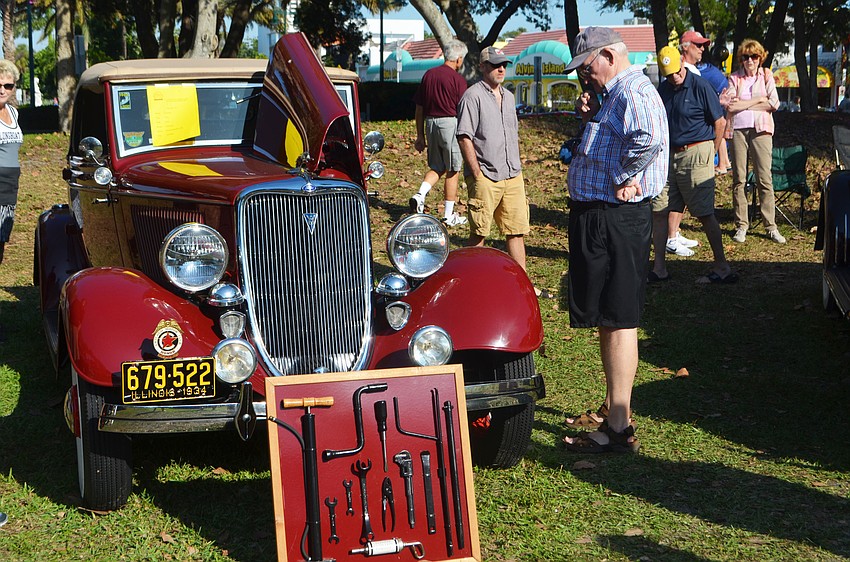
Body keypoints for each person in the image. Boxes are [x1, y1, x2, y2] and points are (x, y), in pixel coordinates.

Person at [560, 27, 669, 453]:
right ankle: (612, 408)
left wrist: (626, 177)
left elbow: (649, 139)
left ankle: (619, 428)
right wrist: (590, 121)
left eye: (588, 67)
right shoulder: (616, 94)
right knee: (608, 316)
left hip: (616, 219)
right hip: (602, 217)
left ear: (608, 55)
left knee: (620, 319)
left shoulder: (633, 90)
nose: (586, 76)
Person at [457, 46, 545, 294]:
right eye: (495, 65)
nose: (501, 69)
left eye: (503, 64)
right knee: (479, 232)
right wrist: (477, 174)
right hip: (486, 175)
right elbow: (464, 137)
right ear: (483, 67)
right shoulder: (472, 96)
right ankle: (475, 284)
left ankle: (523, 285)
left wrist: (517, 167)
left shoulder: (508, 96)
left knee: (516, 231)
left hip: (512, 174)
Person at [650, 46, 736, 285]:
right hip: (669, 156)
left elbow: (719, 122)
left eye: (676, 72)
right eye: (668, 75)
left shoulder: (701, 86)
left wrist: (710, 151)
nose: (673, 78)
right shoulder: (664, 89)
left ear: (682, 65)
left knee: (704, 213)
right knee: (659, 210)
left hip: (697, 152)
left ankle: (721, 266)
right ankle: (659, 268)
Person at [723, 38, 784, 244]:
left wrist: (744, 104)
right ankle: (741, 225)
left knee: (764, 178)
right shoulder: (734, 78)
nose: (750, 60)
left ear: (760, 58)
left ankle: (771, 226)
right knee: (739, 178)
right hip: (738, 130)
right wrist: (758, 100)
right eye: (746, 57)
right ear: (741, 59)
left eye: (754, 56)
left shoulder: (766, 75)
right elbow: (730, 107)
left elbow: (774, 103)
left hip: (762, 130)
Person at [409, 40, 469, 227]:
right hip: (450, 123)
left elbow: (419, 107)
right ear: (458, 59)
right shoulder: (458, 79)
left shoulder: (429, 75)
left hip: (430, 123)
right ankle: (448, 215)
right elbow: (464, 109)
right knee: (453, 169)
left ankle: (420, 195)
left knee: (437, 165)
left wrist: (420, 135)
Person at [0, 59, 22, 265]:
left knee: (2, 239)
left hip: (10, 186)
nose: (2, 90)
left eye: (8, 85)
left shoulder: (14, 113)